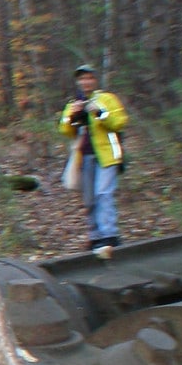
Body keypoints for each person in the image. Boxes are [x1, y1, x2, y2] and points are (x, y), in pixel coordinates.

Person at [59, 65, 129, 256]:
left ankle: (110, 235)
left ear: (94, 80)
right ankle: (96, 236)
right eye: (82, 79)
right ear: (78, 82)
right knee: (89, 199)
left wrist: (99, 113)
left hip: (107, 156)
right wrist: (74, 116)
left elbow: (119, 122)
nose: (86, 82)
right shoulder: (74, 103)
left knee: (103, 193)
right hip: (85, 156)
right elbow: (65, 130)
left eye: (89, 78)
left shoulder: (107, 99)